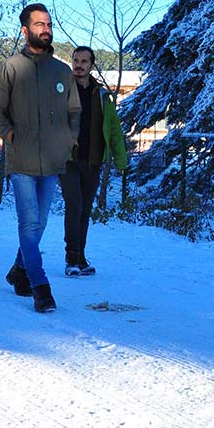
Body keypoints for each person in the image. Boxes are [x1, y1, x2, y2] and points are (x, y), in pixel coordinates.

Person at [0, 4, 80, 313]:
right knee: (29, 223)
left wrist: (70, 138)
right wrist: (9, 134)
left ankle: (19, 269)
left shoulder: (62, 71)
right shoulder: (10, 68)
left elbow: (74, 111)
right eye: (39, 24)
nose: (46, 29)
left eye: (48, 24)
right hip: (22, 160)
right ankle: (40, 287)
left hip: (52, 160)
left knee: (40, 223)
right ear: (25, 30)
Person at [59, 46, 128, 277]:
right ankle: (71, 258)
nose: (78, 65)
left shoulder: (102, 95)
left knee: (85, 209)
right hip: (68, 159)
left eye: (84, 61)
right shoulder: (63, 91)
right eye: (76, 60)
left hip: (93, 161)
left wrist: (120, 159)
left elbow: (113, 129)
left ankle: (81, 257)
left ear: (91, 64)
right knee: (74, 205)